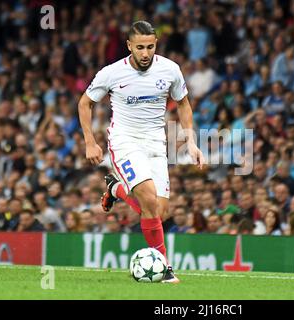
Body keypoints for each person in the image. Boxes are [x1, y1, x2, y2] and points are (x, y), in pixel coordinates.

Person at [78, 21, 204, 283]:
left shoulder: (170, 69)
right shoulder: (112, 73)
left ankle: (116, 189)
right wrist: (90, 141)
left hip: (155, 142)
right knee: (147, 200)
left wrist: (191, 141)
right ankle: (165, 268)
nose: (145, 53)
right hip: (125, 140)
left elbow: (183, 103)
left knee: (159, 211)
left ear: (156, 44)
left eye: (150, 47)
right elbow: (85, 102)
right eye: (140, 48)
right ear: (129, 47)